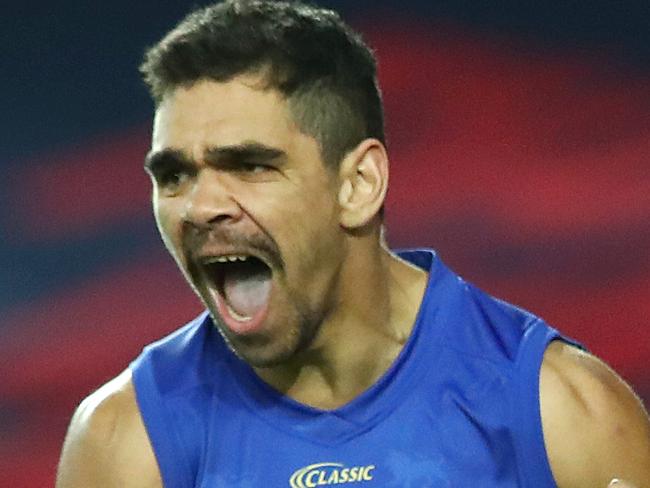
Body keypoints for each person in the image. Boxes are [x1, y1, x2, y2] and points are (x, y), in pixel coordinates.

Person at [56, 1, 650, 486]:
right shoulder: (125, 444)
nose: (200, 206)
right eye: (174, 176)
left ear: (358, 185)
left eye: (250, 165)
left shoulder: (564, 418)